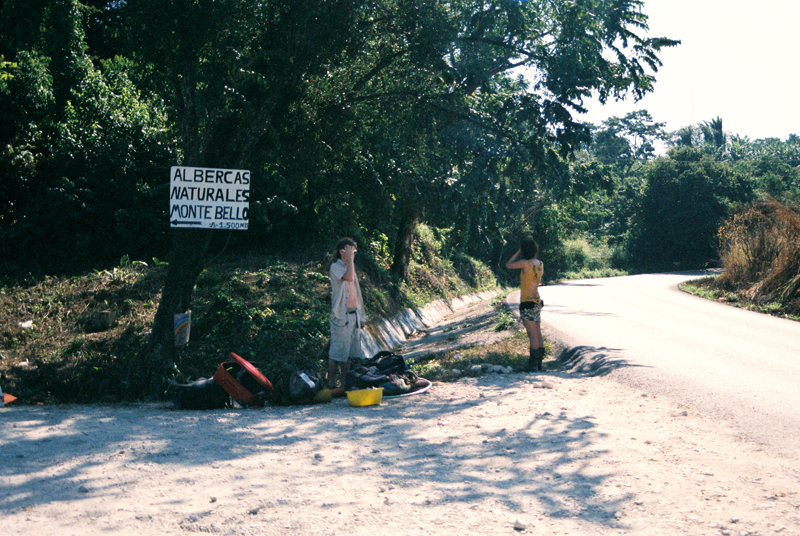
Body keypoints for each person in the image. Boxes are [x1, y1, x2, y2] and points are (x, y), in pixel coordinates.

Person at [328, 237, 366, 389]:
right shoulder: (336, 267)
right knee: (336, 353)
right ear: (341, 252)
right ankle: (331, 384)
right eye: (350, 251)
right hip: (340, 316)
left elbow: (357, 292)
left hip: (353, 315)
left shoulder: (351, 267)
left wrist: (361, 316)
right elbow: (349, 277)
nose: (352, 255)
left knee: (348, 354)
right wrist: (350, 259)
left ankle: (344, 384)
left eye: (353, 252)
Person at [505, 237, 544, 371]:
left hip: (527, 301)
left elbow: (508, 264)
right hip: (537, 301)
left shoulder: (525, 263)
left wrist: (518, 252)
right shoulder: (539, 263)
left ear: (524, 250)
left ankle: (532, 365)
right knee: (538, 333)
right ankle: (539, 364)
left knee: (532, 334)